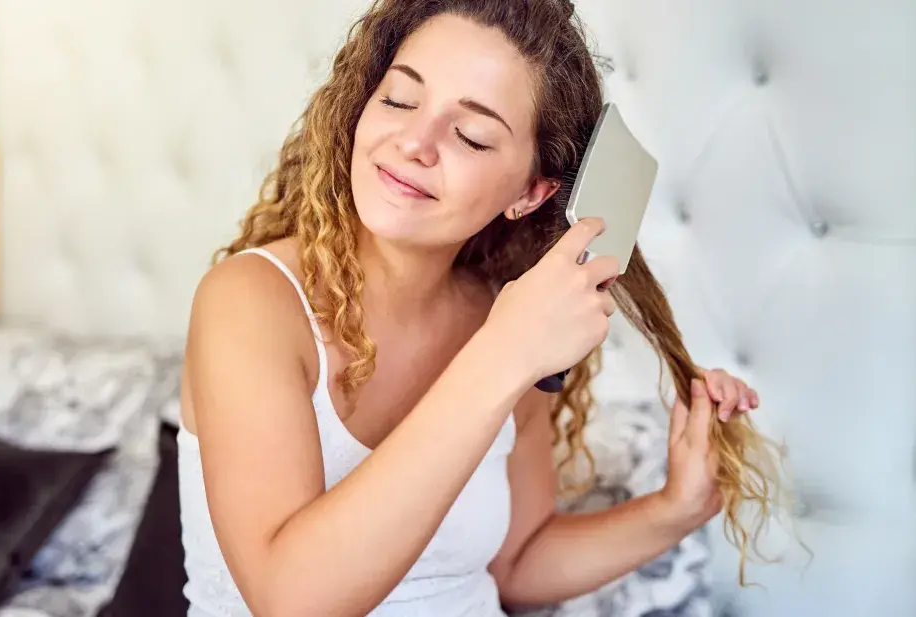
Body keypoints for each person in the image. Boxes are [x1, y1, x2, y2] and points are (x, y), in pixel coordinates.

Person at [177, 1, 769, 616]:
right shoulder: (250, 301)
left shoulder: (510, 322)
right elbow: (291, 600)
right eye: (400, 100)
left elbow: (516, 564)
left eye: (472, 135)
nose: (415, 142)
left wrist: (674, 509)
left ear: (529, 194)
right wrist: (502, 355)